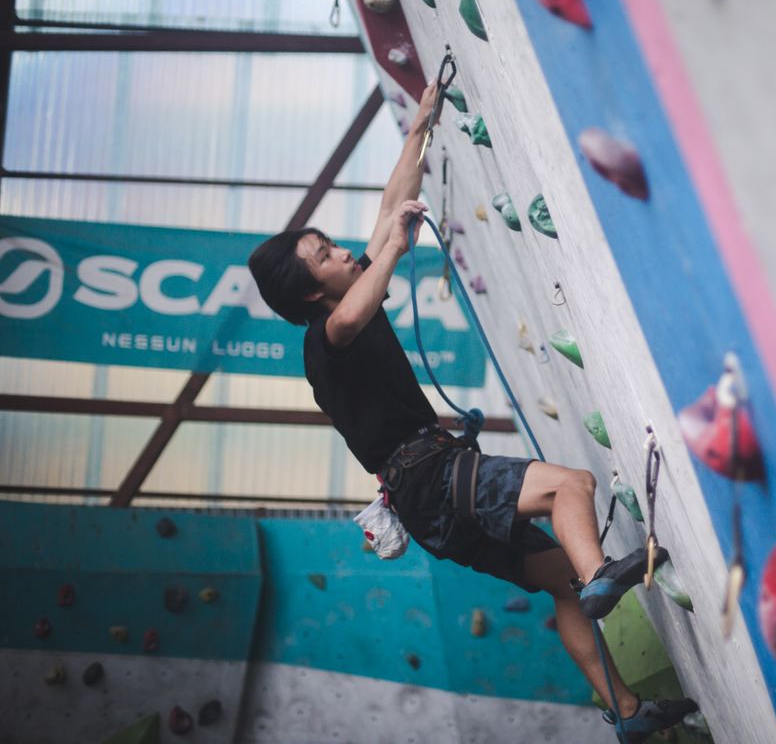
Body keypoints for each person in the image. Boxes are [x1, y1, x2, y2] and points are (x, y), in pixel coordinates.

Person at [248, 81, 696, 741]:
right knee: (572, 486)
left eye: (331, 244)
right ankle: (603, 575)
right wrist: (398, 245)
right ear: (312, 290)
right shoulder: (325, 339)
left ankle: (626, 712)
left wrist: (419, 126)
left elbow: (391, 203)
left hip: (426, 499)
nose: (342, 250)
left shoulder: (351, 294)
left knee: (560, 586)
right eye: (325, 255)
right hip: (431, 480)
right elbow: (353, 310)